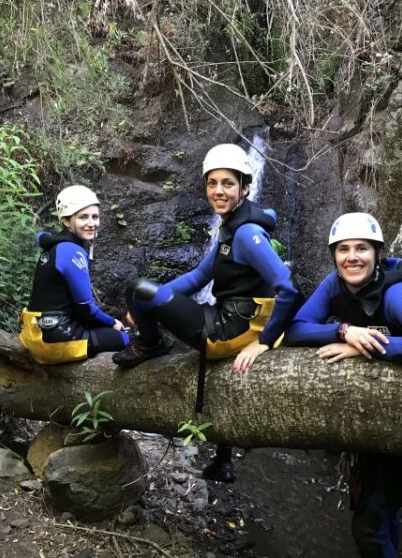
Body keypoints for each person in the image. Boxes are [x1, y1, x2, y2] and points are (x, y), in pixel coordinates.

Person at [112, 143, 300, 483]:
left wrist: (265, 342)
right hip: (232, 321)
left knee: (138, 289)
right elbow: (199, 277)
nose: (218, 190)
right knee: (143, 293)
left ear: (245, 187)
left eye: (228, 183)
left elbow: (289, 288)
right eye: (212, 183)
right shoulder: (233, 228)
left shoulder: (246, 233)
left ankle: (151, 344)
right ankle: (223, 461)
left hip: (228, 331)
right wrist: (152, 300)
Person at [284, 212, 402, 558]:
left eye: (362, 248)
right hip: (371, 423)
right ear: (334, 255)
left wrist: (367, 347)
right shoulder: (334, 285)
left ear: (377, 253)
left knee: (369, 528)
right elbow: (296, 328)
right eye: (343, 249)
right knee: (381, 514)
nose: (352, 257)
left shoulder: (394, 292)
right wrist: (344, 331)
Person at [19, 185, 128, 364]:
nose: (91, 223)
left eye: (95, 216)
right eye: (83, 217)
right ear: (67, 221)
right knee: (124, 338)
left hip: (36, 331)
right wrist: (112, 322)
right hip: (53, 340)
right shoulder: (71, 251)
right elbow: (86, 308)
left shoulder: (55, 244)